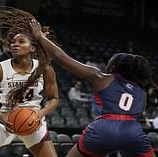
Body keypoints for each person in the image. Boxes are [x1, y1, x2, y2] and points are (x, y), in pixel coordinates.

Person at [29, 18, 156, 157]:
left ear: (114, 66)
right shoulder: (141, 92)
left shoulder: (101, 77)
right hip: (132, 131)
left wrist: (40, 36)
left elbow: (62, 58)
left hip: (103, 129)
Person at [0, 6, 59, 157]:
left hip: (32, 120)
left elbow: (54, 99)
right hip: (2, 120)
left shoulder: (45, 69)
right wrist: (2, 117)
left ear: (32, 48)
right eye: (13, 42)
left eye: (21, 41)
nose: (14, 44)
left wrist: (41, 113)